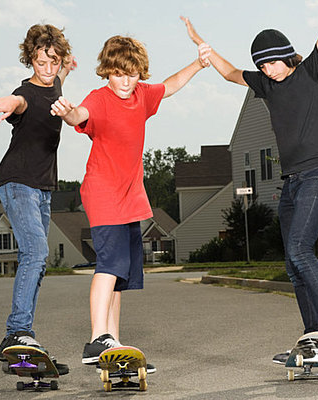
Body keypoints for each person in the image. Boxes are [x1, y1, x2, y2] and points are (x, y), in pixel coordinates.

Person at [181, 0, 318, 364]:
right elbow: (230, 73)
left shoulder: (310, 72)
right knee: (293, 264)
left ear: (286, 56)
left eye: (272, 62)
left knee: (299, 251)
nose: (268, 70)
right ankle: (314, 337)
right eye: (262, 64)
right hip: (292, 182)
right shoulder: (265, 84)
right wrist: (204, 47)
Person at [50, 34, 210, 366]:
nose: (125, 82)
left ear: (140, 74)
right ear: (107, 71)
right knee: (108, 265)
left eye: (133, 74)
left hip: (131, 199)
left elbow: (170, 85)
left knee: (120, 278)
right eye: (118, 73)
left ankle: (113, 343)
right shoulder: (100, 98)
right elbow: (80, 114)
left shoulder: (142, 95)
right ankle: (97, 338)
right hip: (103, 194)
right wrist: (67, 113)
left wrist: (198, 63)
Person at [0, 24, 74, 366]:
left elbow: (61, 71)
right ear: (29, 61)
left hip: (44, 188)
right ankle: (16, 331)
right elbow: (19, 101)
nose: (47, 70)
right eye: (40, 63)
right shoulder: (27, 92)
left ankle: (25, 340)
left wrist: (66, 65)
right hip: (18, 181)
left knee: (38, 262)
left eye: (53, 62)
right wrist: (8, 102)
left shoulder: (57, 80)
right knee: (35, 251)